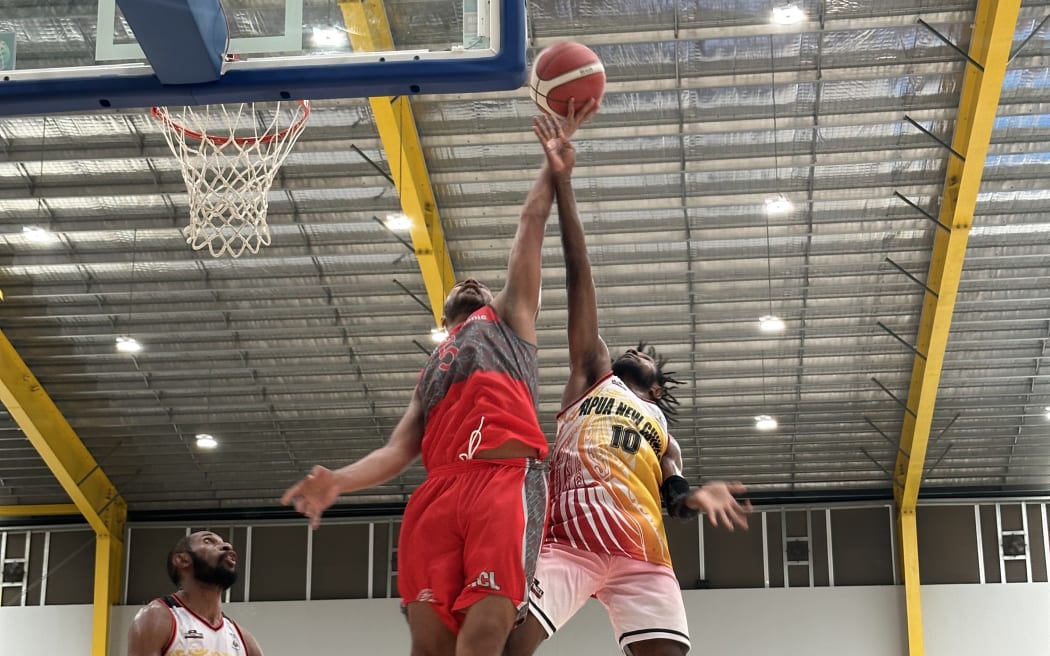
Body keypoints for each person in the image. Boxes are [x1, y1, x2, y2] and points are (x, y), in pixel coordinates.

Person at [280, 101, 599, 656]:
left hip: (502, 481)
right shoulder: (431, 371)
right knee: (428, 647)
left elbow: (529, 226)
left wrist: (551, 167)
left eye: (475, 278)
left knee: (484, 635)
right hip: (437, 492)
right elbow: (398, 449)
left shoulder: (507, 316)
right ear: (443, 314)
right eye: (459, 282)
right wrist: (339, 482)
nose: (470, 279)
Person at [504, 112, 752, 656]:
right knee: (504, 645)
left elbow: (676, 499)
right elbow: (578, 270)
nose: (634, 351)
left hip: (644, 555)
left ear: (657, 390)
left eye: (646, 356)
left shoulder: (664, 434)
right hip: (568, 542)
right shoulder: (594, 373)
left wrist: (698, 495)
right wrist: (564, 183)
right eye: (632, 351)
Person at [126, 530, 264, 656]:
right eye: (208, 541)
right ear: (182, 560)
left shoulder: (245, 641)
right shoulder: (157, 618)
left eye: (223, 542)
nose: (227, 545)